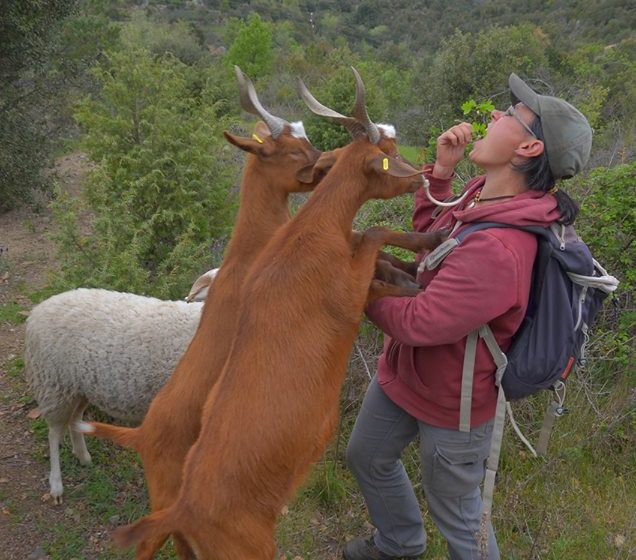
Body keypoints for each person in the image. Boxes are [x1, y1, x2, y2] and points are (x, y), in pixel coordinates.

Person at [342, 73, 592, 560]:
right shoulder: (482, 193)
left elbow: (420, 320)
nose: (495, 116)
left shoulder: (500, 247)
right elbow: (430, 241)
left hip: (456, 404)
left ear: (529, 147)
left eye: (510, 115)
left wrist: (351, 286)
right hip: (408, 374)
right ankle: (399, 544)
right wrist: (441, 172)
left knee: (458, 513)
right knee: (367, 456)